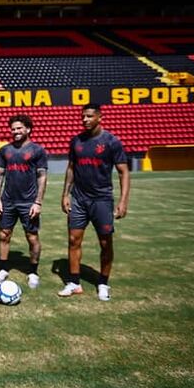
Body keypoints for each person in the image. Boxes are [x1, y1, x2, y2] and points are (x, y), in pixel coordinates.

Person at [60, 104, 130, 301]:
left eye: (89, 116)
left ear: (100, 117)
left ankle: (103, 283)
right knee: (73, 240)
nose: (85, 120)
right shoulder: (76, 141)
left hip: (102, 200)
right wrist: (65, 194)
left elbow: (123, 172)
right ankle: (74, 283)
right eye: (83, 116)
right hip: (79, 199)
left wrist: (123, 202)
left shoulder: (112, 141)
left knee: (105, 243)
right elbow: (71, 168)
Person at [0, 114, 48, 288]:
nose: (15, 131)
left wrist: (38, 202)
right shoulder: (5, 150)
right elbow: (0, 174)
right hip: (8, 201)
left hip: (28, 202)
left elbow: (42, 176)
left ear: (28, 129)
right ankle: (3, 268)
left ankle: (33, 271)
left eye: (19, 128)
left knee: (32, 237)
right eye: (13, 129)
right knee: (4, 235)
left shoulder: (37, 150)